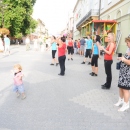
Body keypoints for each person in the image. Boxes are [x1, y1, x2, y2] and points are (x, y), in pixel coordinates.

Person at [114, 35, 130, 112]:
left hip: (128, 74)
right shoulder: (128, 50)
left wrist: (123, 59)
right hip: (123, 72)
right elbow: (125, 58)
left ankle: (126, 104)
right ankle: (121, 100)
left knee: (125, 89)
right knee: (121, 87)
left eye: (127, 42)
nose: (126, 44)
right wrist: (121, 58)